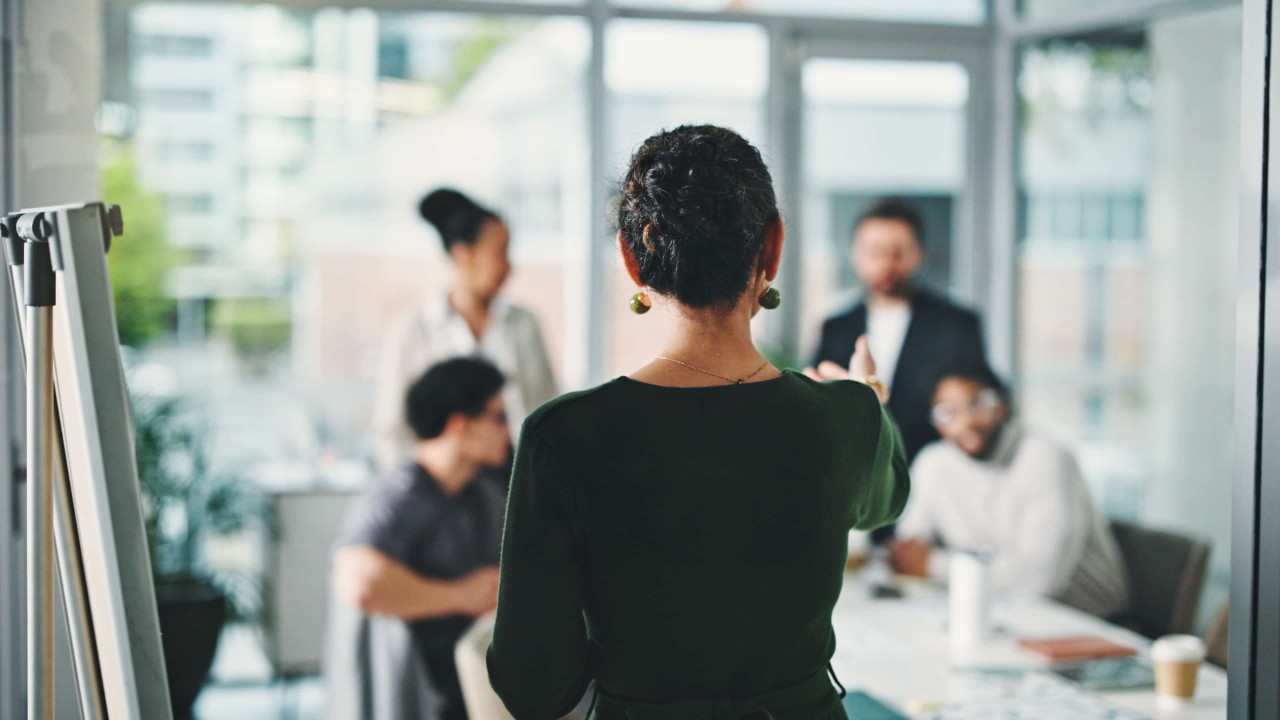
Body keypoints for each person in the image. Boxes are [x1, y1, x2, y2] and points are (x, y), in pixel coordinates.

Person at [487, 125, 910, 720]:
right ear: (772, 249)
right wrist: (869, 398)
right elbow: (887, 497)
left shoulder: (564, 436)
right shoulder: (845, 418)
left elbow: (534, 685)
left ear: (633, 260)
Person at [333, 358, 511, 720]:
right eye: (498, 418)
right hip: (410, 698)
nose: (508, 433)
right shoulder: (399, 494)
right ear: (460, 425)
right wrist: (463, 596)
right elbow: (359, 580)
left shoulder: (480, 492)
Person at [888, 364, 1129, 619]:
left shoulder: (1046, 457)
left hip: (1087, 621)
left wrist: (932, 565)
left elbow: (1040, 579)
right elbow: (907, 554)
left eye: (977, 403)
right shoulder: (933, 462)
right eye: (947, 411)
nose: (966, 421)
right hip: (1000, 615)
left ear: (1003, 406)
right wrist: (918, 563)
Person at [371, 188, 558, 471]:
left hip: (515, 483)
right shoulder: (413, 330)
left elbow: (548, 411)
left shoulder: (524, 325)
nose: (509, 266)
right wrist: (418, 494)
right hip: (443, 491)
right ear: (463, 254)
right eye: (500, 253)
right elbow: (392, 430)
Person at [811, 198, 987, 465]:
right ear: (855, 254)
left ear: (920, 253)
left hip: (932, 473)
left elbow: (980, 396)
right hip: (855, 473)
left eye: (899, 251)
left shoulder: (956, 324)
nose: (887, 262)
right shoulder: (835, 327)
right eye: (874, 251)